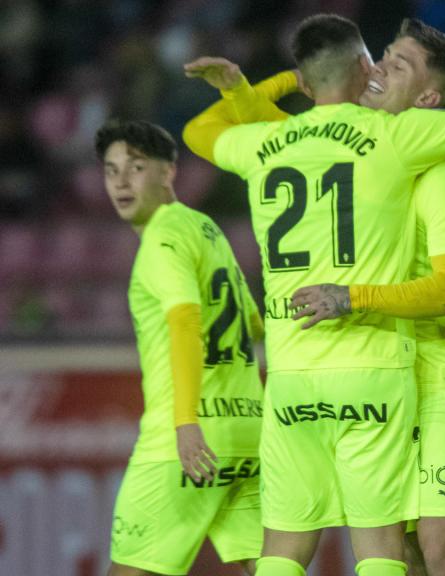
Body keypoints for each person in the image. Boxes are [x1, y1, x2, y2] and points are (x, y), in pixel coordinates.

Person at [181, 13, 445, 576]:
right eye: (378, 55)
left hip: (440, 374)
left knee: (438, 548)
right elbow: (276, 130)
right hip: (381, 364)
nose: (377, 67)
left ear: (428, 97)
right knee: (394, 551)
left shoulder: (442, 172)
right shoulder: (370, 143)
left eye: (396, 64)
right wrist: (272, 83)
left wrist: (353, 296)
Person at [97, 119, 265, 576]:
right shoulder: (204, 228)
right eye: (111, 171)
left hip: (190, 441)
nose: (122, 182)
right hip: (250, 434)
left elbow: (185, 320)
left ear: (169, 171)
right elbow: (254, 323)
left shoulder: (163, 238)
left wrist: (186, 423)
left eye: (135, 167)